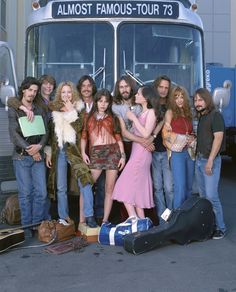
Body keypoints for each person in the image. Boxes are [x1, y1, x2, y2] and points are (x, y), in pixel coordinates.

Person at [45, 81, 97, 227]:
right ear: (59, 94)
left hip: (74, 151)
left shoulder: (79, 108)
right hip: (59, 151)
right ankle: (63, 217)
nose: (66, 95)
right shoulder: (54, 109)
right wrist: (48, 152)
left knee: (85, 181)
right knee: (61, 187)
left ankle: (90, 215)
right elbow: (50, 134)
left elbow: (81, 128)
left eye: (68, 92)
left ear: (73, 93)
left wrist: (70, 111)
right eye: (63, 92)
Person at [8, 77, 49, 237]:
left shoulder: (39, 108)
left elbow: (46, 131)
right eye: (30, 90)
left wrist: (39, 146)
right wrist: (30, 149)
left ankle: (36, 224)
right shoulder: (15, 108)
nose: (32, 93)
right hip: (21, 157)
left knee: (41, 193)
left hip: (37, 156)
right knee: (25, 194)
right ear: (23, 90)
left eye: (35, 91)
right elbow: (13, 135)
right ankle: (26, 228)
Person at [112, 85, 159, 218]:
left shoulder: (151, 112)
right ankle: (141, 222)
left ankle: (133, 218)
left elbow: (145, 134)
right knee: (136, 190)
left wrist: (133, 119)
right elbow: (130, 134)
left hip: (141, 156)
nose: (136, 96)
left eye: (138, 94)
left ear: (146, 98)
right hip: (137, 152)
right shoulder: (142, 112)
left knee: (122, 185)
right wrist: (124, 121)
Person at [81, 88, 126, 223]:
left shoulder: (113, 118)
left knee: (109, 188)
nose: (103, 104)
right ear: (96, 101)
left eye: (106, 102)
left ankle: (105, 221)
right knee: (86, 184)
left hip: (113, 152)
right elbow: (83, 137)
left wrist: (123, 156)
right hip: (96, 153)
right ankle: (82, 220)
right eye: (100, 101)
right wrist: (83, 153)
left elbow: (118, 139)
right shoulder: (88, 117)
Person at [194, 88, 226, 239]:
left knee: (212, 196)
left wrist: (211, 161)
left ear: (207, 100)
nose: (197, 103)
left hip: (209, 160)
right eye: (195, 100)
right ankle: (209, 226)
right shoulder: (201, 117)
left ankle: (220, 227)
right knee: (203, 197)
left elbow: (218, 139)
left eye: (200, 100)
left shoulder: (216, 116)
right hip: (199, 160)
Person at [76, 75, 105, 223]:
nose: (86, 88)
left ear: (93, 87)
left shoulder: (100, 103)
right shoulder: (74, 104)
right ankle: (83, 218)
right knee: (85, 182)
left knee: (101, 184)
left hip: (98, 148)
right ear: (80, 88)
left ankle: (99, 215)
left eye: (89, 85)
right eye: (83, 86)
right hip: (80, 147)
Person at [164, 85, 195, 209]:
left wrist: (192, 138)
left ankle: (187, 218)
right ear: (173, 99)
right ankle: (177, 218)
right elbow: (166, 134)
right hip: (177, 153)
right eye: (176, 97)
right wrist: (182, 139)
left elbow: (192, 132)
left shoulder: (188, 113)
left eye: (182, 97)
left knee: (188, 187)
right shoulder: (170, 112)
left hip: (190, 152)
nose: (180, 99)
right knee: (180, 187)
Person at [151, 75, 173, 224]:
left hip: (167, 152)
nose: (164, 90)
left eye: (166, 88)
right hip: (152, 152)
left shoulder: (171, 107)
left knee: (169, 188)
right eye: (161, 87)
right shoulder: (150, 105)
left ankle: (171, 219)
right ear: (156, 87)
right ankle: (162, 219)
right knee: (157, 188)